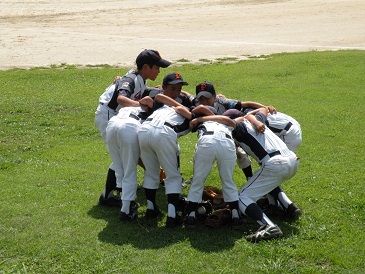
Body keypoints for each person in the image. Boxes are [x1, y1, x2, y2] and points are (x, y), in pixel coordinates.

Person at [195, 109, 300, 242]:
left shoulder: (241, 127)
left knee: (242, 197)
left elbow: (227, 121)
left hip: (276, 163)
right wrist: (252, 117)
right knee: (264, 180)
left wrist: (200, 120)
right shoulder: (256, 121)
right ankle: (288, 207)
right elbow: (263, 110)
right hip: (292, 160)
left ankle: (268, 226)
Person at [96, 49, 171, 207]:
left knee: (125, 155)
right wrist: (141, 105)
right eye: (156, 67)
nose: (159, 71)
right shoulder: (131, 79)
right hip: (108, 115)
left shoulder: (140, 79)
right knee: (123, 156)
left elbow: (141, 91)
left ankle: (115, 191)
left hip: (116, 116)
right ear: (145, 67)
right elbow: (121, 98)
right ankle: (112, 196)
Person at [138, 94, 214, 228]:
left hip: (144, 131)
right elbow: (189, 117)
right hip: (164, 132)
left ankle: (151, 209)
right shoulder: (186, 112)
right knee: (173, 177)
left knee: (151, 173)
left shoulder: (163, 108)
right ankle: (172, 216)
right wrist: (193, 115)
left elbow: (161, 97)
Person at [193, 81, 275, 180]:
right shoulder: (195, 104)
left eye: (207, 98)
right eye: (201, 98)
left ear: (214, 96)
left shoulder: (222, 102)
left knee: (241, 154)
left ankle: (250, 177)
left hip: (232, 130)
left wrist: (265, 107)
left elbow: (246, 104)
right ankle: (196, 178)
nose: (204, 101)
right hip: (211, 136)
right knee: (201, 154)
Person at [183, 107, 244, 230]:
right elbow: (242, 118)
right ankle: (236, 217)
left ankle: (191, 216)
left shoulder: (205, 122)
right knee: (228, 180)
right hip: (227, 143)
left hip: (207, 141)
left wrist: (198, 119)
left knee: (198, 180)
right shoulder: (225, 122)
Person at [105, 96, 154, 221]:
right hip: (129, 127)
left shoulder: (130, 105)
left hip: (112, 124)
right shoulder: (154, 109)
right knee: (129, 171)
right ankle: (126, 211)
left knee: (119, 168)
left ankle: (125, 202)